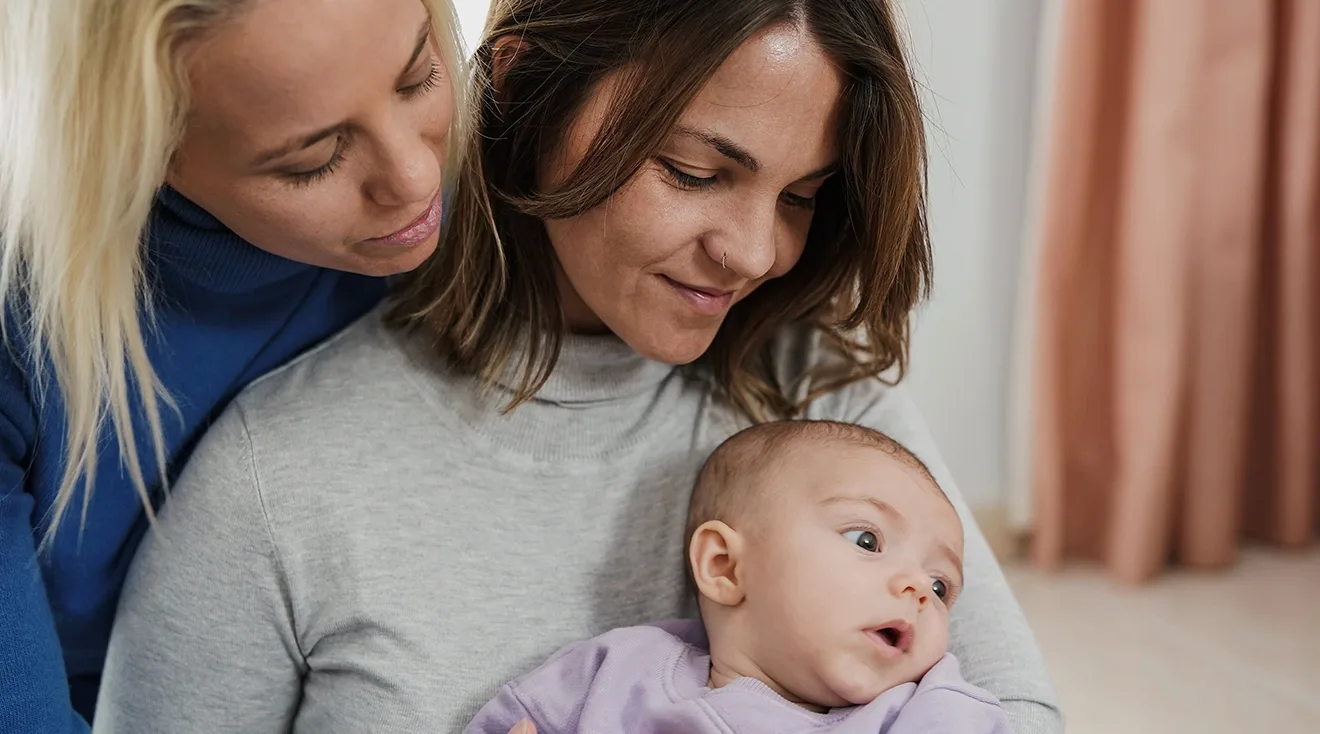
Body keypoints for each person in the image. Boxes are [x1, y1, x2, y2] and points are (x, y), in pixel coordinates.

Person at [96, 0, 1065, 732]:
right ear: (521, 87)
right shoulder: (282, 475)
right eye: (694, 172)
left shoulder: (814, 396)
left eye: (803, 195)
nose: (754, 251)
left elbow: (1014, 707)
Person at [0, 0, 465, 730]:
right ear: (144, 150)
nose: (413, 177)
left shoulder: (487, 195)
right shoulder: (20, 328)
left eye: (417, 77)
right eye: (315, 158)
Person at [466, 420, 1012, 733]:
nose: (918, 588)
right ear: (725, 566)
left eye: (942, 587)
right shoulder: (615, 672)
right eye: (866, 540)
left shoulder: (921, 713)